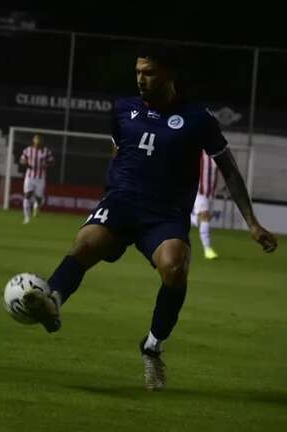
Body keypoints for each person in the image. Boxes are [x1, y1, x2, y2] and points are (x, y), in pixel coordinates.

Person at [18, 46, 277, 391]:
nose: (141, 78)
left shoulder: (197, 118)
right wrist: (110, 197)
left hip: (165, 213)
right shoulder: (123, 109)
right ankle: (52, 302)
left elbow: (227, 167)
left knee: (175, 267)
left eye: (149, 72)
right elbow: (119, 153)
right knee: (85, 243)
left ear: (169, 73)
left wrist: (252, 223)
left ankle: (152, 347)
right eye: (138, 71)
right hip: (122, 202)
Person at [19, 134, 54, 224]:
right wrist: (26, 163)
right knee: (27, 195)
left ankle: (36, 206)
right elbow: (22, 160)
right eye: (36, 139)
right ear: (33, 140)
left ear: (41, 141)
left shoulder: (46, 151)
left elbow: (52, 162)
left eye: (39, 140)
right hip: (29, 177)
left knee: (39, 198)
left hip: (40, 177)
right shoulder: (28, 150)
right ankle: (27, 217)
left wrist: (46, 165)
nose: (38, 142)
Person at [191, 150, 219, 259]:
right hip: (199, 190)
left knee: (203, 218)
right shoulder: (196, 151)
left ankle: (192, 217)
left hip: (210, 192)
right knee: (205, 216)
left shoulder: (215, 153)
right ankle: (207, 249)